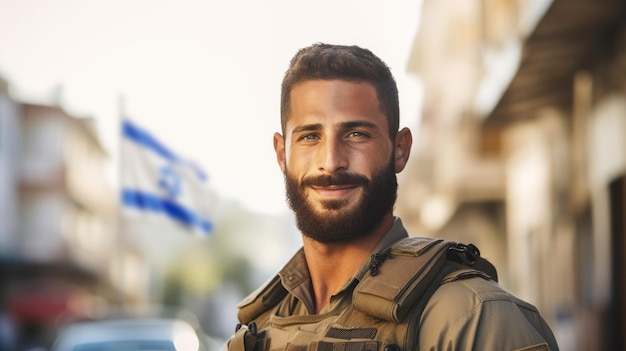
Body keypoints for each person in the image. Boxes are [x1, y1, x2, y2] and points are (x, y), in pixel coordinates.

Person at [225, 43, 559, 351]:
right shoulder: (259, 326)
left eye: (356, 134)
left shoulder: (471, 318)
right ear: (282, 154)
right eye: (310, 136)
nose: (331, 161)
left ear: (400, 150)